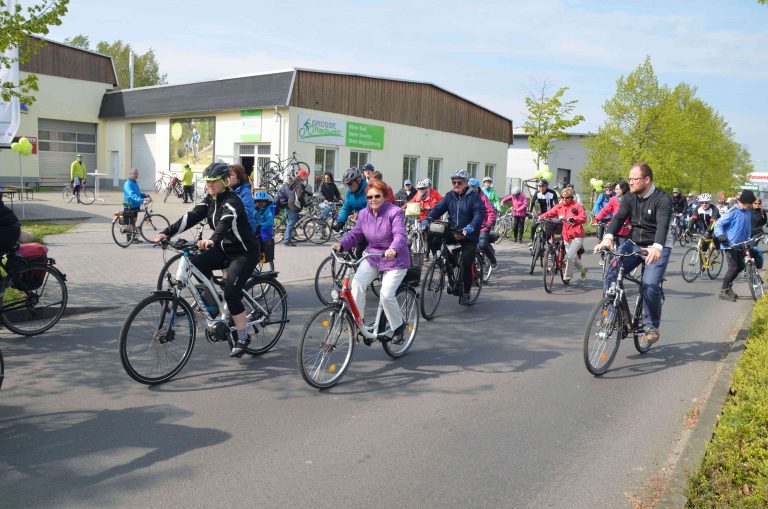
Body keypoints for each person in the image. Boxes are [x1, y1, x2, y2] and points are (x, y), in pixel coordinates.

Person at [155, 162, 261, 357]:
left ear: (225, 181)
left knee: (231, 292)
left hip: (244, 253)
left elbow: (224, 223)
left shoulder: (232, 202)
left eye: (214, 181)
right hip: (224, 249)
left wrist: (211, 240)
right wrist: (166, 232)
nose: (210, 185)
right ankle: (217, 301)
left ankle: (243, 336)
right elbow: (191, 216)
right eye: (207, 181)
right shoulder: (210, 200)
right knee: (195, 263)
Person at [594, 162, 673, 346]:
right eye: (629, 179)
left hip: (657, 245)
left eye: (634, 179)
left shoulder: (663, 199)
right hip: (634, 243)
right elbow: (618, 218)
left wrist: (657, 248)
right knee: (611, 271)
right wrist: (607, 238)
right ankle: (611, 316)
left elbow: (662, 226)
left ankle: (651, 326)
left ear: (646, 179)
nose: (630, 182)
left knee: (650, 284)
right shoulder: (630, 197)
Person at [332, 180, 410, 343]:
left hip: (394, 258)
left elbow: (400, 235)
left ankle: (398, 326)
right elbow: (356, 234)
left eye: (377, 196)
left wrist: (394, 248)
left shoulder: (394, 212)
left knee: (386, 294)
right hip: (373, 256)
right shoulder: (364, 214)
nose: (373, 199)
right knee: (357, 284)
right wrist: (342, 244)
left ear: (385, 196)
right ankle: (358, 323)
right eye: (369, 197)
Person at [422, 169, 485, 305]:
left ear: (466, 183)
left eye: (459, 182)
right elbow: (439, 208)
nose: (456, 184)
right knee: (434, 238)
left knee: (467, 263)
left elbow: (479, 214)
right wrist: (428, 218)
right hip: (454, 231)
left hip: (468, 234)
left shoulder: (474, 196)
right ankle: (448, 262)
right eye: (453, 182)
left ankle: (466, 292)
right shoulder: (450, 195)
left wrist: (472, 226)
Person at [715, 190, 756, 302]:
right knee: (733, 267)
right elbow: (718, 224)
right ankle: (723, 291)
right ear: (746, 202)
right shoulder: (733, 211)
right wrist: (721, 236)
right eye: (751, 203)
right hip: (729, 244)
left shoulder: (748, 212)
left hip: (740, 244)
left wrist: (747, 245)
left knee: (741, 266)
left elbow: (747, 231)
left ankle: (728, 287)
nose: (752, 205)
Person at [540, 187, 587, 282]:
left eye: (567, 197)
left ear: (571, 197)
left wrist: (573, 219)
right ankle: (583, 270)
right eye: (562, 197)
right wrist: (540, 217)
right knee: (573, 257)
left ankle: (568, 275)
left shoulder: (576, 206)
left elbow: (583, 218)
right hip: (566, 236)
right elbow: (550, 213)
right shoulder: (560, 206)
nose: (564, 199)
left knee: (569, 256)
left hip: (577, 235)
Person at [469, 178, 497, 269]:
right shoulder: (467, 196)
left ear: (478, 187)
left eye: (474, 187)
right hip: (471, 225)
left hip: (483, 225)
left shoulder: (483, 197)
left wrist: (489, 222)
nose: (472, 189)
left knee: (482, 245)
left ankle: (493, 260)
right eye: (470, 187)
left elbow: (491, 211)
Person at [594, 181, 631, 246]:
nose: (615, 191)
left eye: (617, 189)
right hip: (615, 226)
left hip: (626, 228)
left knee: (622, 248)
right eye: (615, 189)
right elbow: (605, 210)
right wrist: (597, 218)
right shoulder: (613, 199)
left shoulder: (631, 199)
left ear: (623, 189)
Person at [333, 167, 368, 233]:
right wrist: (340, 222)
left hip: (371, 224)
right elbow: (346, 208)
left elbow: (371, 209)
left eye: (350, 183)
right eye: (347, 184)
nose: (348, 186)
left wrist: (359, 213)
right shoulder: (350, 192)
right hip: (360, 224)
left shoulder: (368, 190)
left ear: (359, 180)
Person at [228, 164, 258, 234]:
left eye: (231, 175)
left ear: (239, 177)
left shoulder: (244, 192)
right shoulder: (228, 191)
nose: (228, 177)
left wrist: (251, 233)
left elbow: (249, 213)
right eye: (227, 175)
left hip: (242, 231)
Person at [123, 168, 149, 243]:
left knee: (134, 221)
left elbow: (137, 194)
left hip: (135, 205)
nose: (136, 175)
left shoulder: (134, 183)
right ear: (130, 174)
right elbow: (132, 195)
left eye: (137, 174)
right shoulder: (127, 184)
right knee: (130, 222)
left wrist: (144, 195)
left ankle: (133, 237)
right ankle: (129, 238)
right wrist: (142, 200)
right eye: (134, 173)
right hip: (129, 204)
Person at [529, 178, 559, 243]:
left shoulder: (552, 193)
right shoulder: (537, 193)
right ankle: (533, 242)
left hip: (550, 214)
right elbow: (533, 203)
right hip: (541, 214)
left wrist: (558, 214)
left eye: (543, 186)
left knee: (549, 230)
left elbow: (557, 205)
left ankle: (547, 242)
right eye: (539, 186)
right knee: (533, 226)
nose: (541, 188)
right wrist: (530, 212)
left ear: (546, 186)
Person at [284, 168, 308, 246]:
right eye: (305, 176)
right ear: (301, 176)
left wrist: (308, 193)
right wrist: (304, 203)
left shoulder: (296, 182)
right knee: (291, 223)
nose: (306, 178)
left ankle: (289, 237)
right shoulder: (300, 184)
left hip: (291, 203)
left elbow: (299, 191)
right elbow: (300, 196)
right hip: (294, 205)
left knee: (291, 222)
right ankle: (287, 240)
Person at [254, 190, 276, 271]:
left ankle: (258, 257)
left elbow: (270, 222)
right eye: (258, 202)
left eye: (263, 202)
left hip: (264, 234)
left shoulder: (267, 211)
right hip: (256, 231)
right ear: (255, 202)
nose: (260, 203)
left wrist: (260, 224)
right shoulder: (254, 209)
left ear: (266, 202)